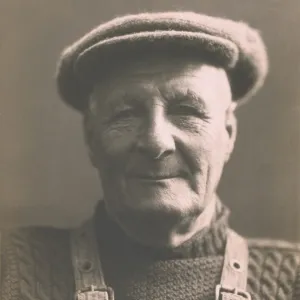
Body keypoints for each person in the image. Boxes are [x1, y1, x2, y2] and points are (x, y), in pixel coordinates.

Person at [1, 11, 299, 300]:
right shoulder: (13, 268)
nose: (156, 142)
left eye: (186, 111)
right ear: (91, 138)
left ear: (229, 134)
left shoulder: (291, 280)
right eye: (126, 114)